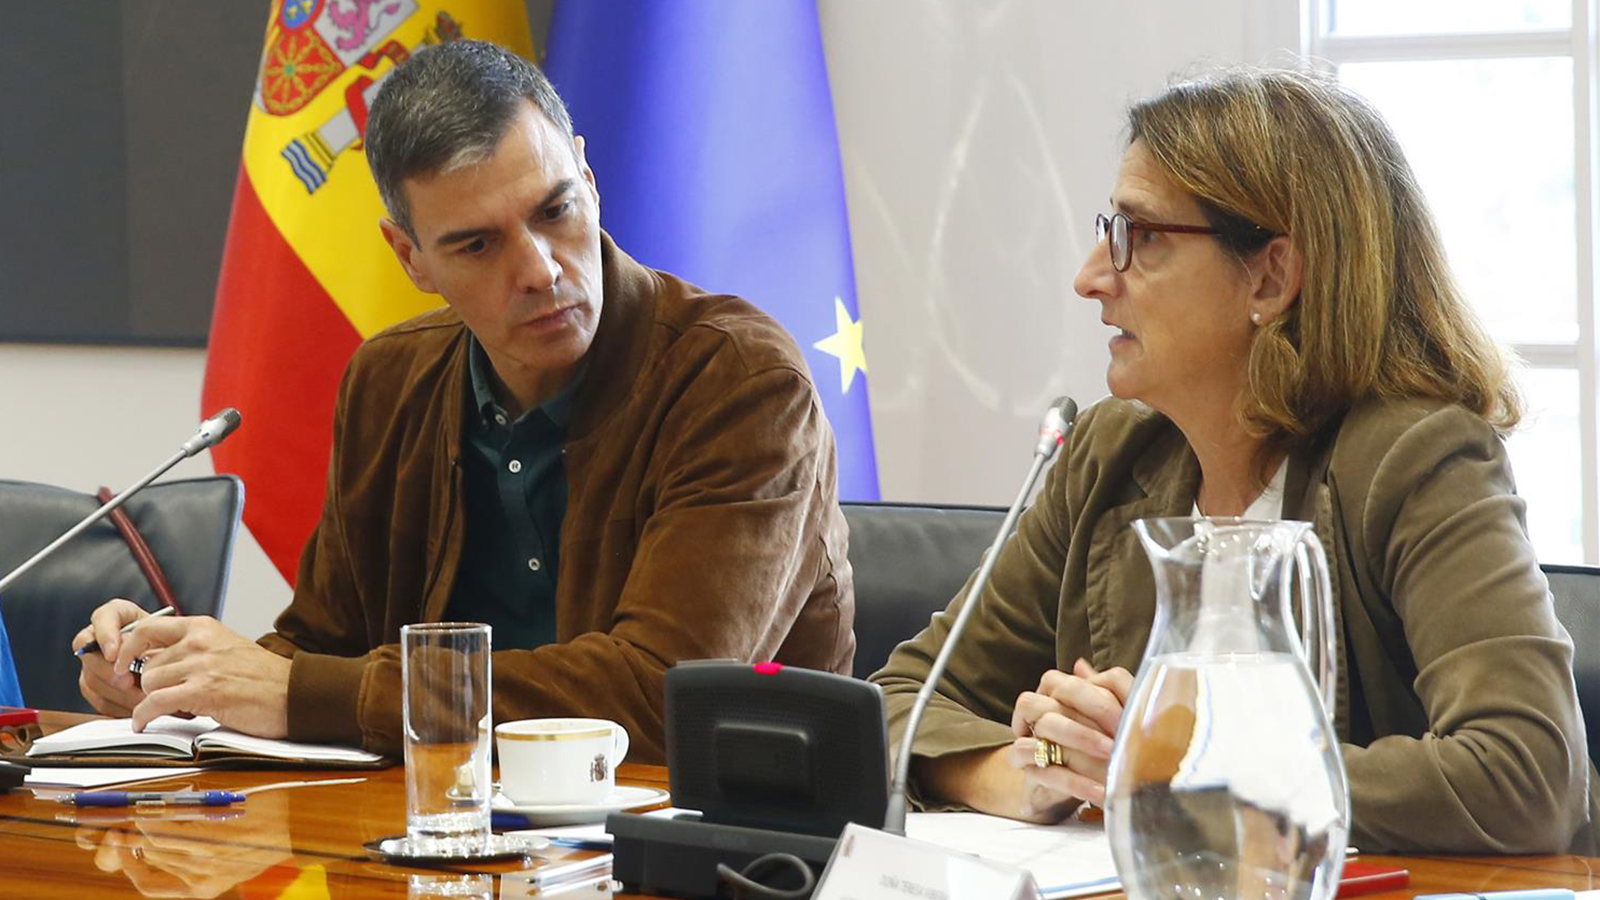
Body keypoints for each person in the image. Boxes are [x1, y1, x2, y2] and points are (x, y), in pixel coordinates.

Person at [871, 66, 1599, 853]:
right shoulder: (1107, 456)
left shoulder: (1414, 457)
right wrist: (1038, 768)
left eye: (1138, 236)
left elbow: (1527, 777)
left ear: (1271, 275)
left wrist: (1181, 760)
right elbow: (897, 701)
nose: (1090, 278)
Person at [73, 40, 855, 762]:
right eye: (478, 245)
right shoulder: (389, 381)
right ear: (409, 257)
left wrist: (295, 689)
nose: (542, 270)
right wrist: (176, 679)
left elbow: (659, 695)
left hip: (703, 843)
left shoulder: (737, 380)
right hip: (435, 832)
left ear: (587, 177)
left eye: (555, 211)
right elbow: (323, 648)